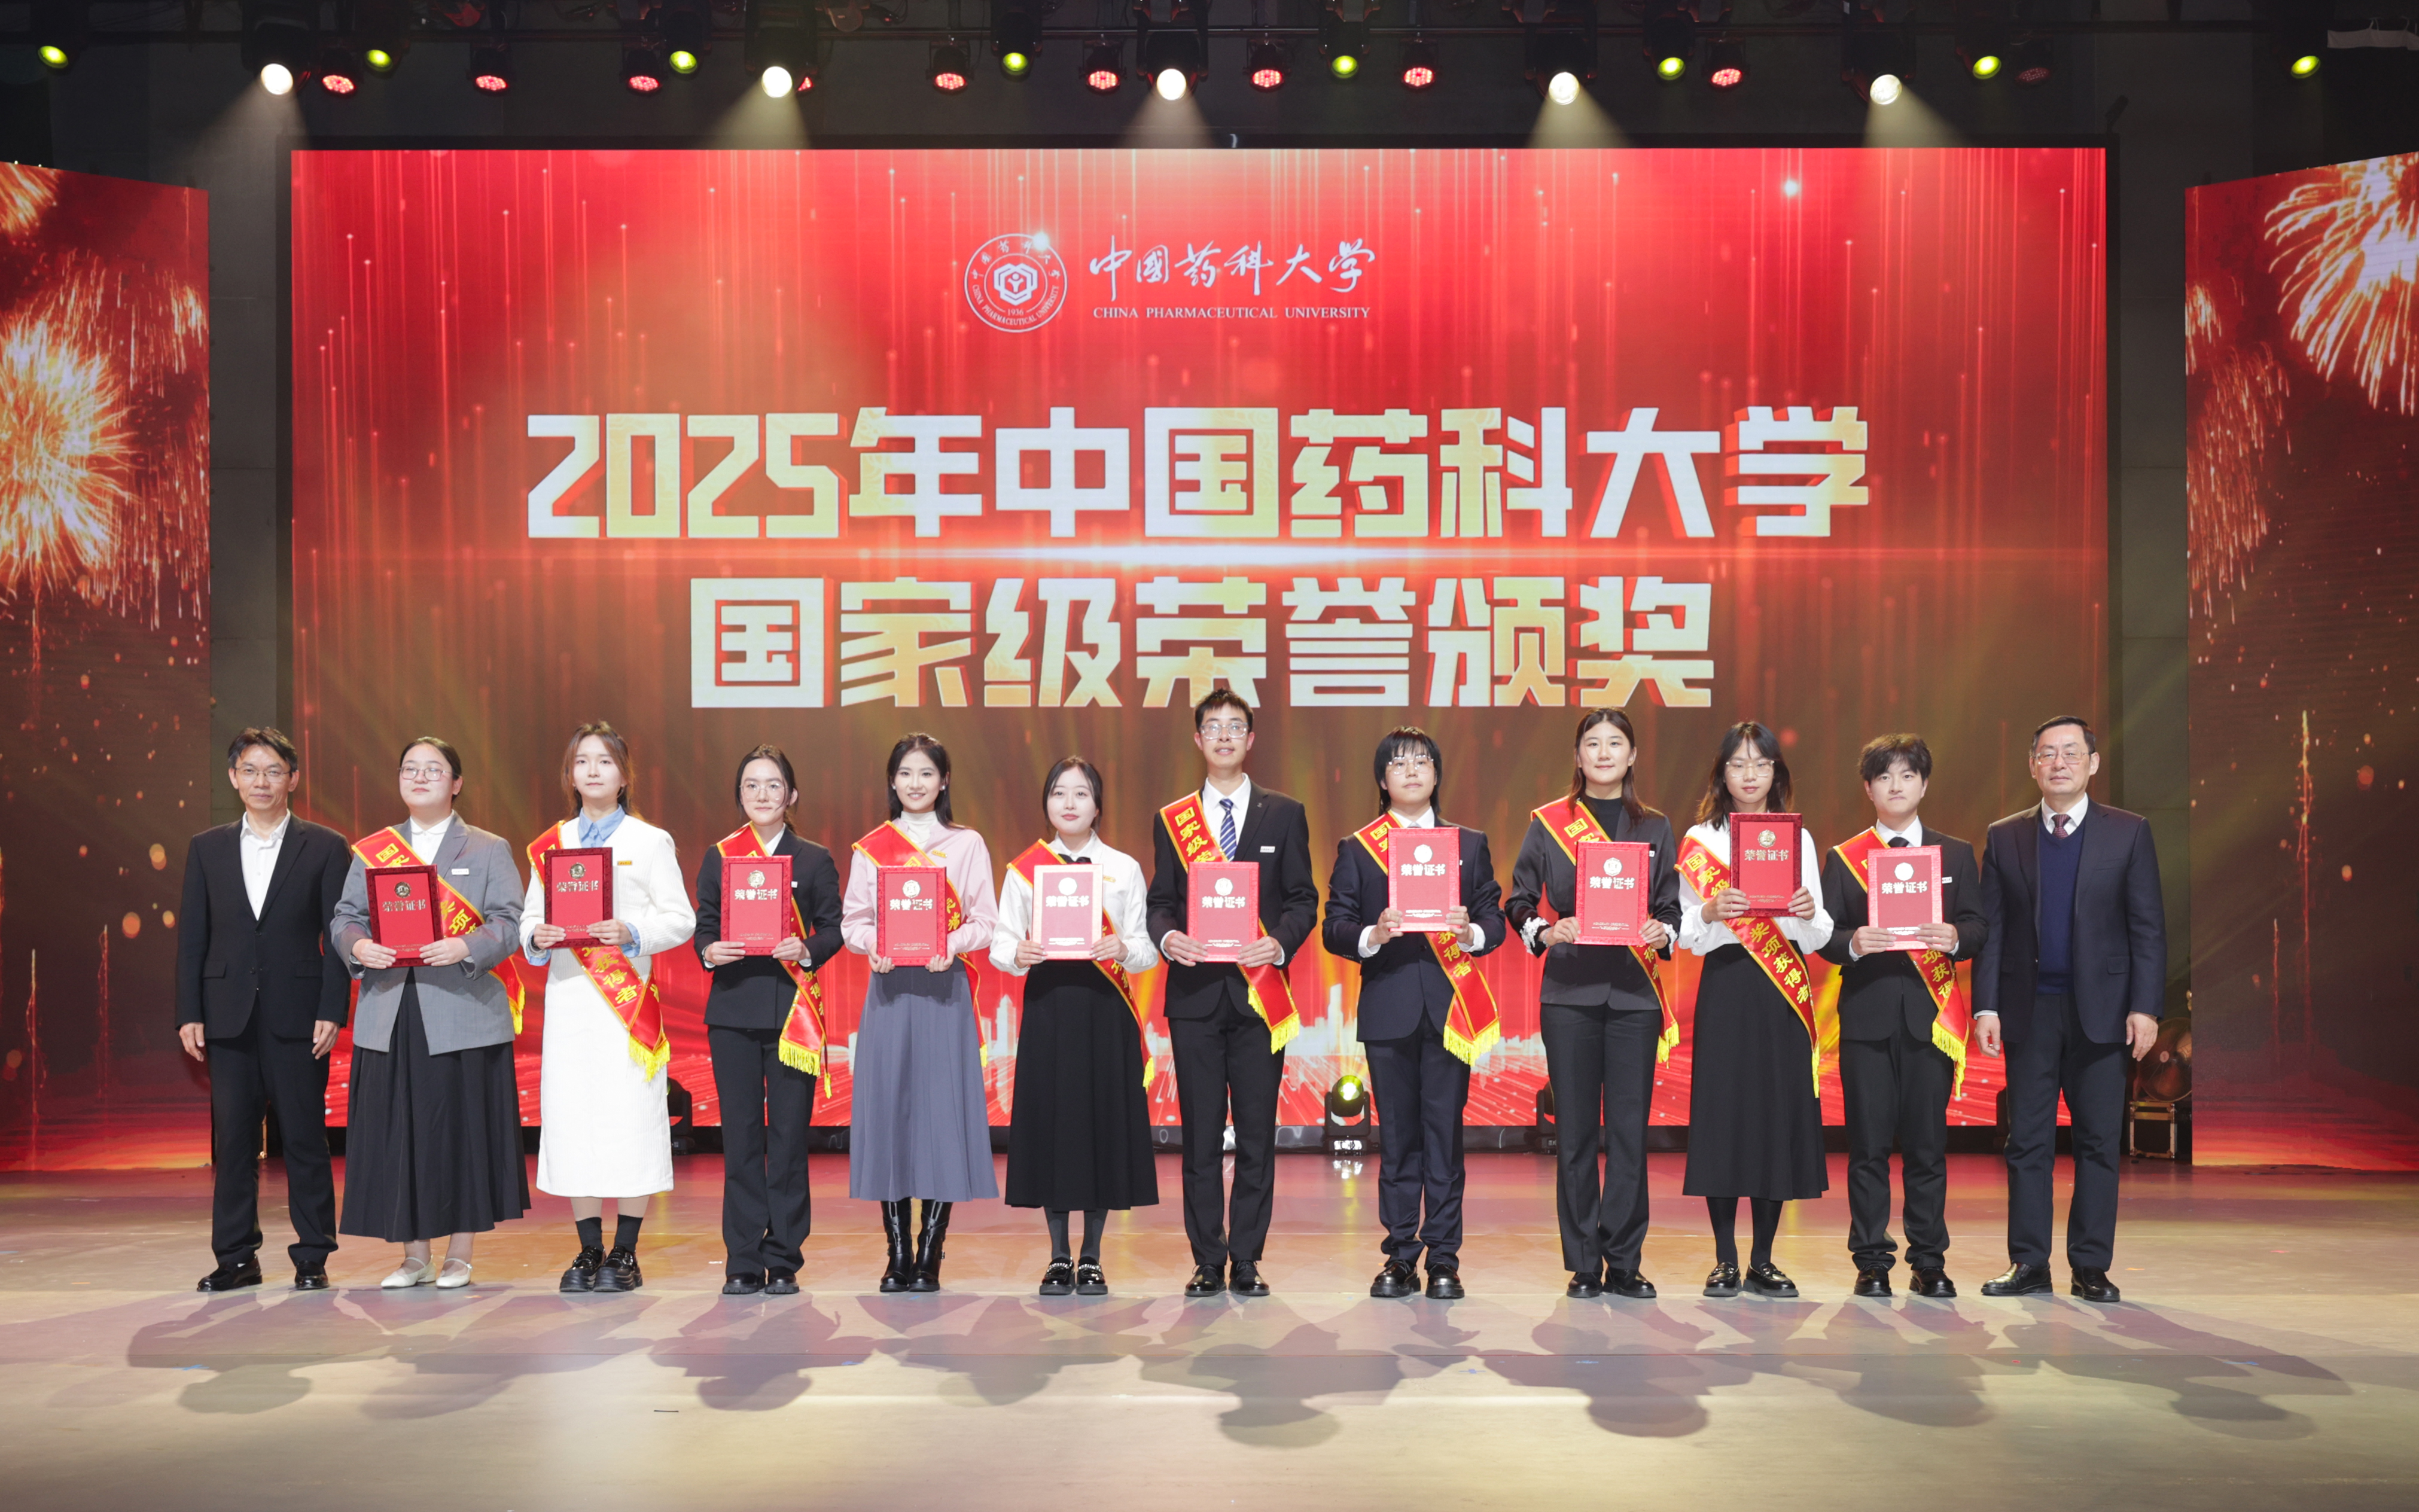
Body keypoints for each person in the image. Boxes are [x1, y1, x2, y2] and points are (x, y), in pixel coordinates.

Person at [1976, 715, 2167, 1303]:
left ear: (2093, 763)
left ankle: (2091, 1265)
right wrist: (1986, 1005)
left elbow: (2148, 927)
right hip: (2029, 1010)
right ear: (2032, 765)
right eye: (2047, 754)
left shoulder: (2128, 832)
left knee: (2098, 1141)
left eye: (2071, 752)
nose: (2058, 763)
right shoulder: (2005, 836)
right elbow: (1993, 930)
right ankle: (2029, 1262)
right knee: (2027, 1142)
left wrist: (2145, 1006)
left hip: (2104, 1013)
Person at [330, 737, 530, 1289]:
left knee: (462, 1134)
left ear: (457, 783)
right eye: (410, 769)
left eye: (433, 769)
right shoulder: (374, 850)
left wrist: (467, 946)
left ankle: (460, 1254)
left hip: (462, 1011)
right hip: (390, 1011)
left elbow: (510, 921)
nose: (419, 778)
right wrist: (358, 946)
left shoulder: (487, 848)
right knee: (399, 1133)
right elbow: (345, 916)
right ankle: (414, 1256)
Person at [1321, 725, 1506, 1301]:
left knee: (1444, 1137)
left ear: (1436, 774)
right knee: (1398, 1139)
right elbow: (1334, 927)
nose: (1411, 771)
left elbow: (1494, 920)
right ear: (1383, 779)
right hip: (1389, 1008)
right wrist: (1373, 934)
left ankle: (1444, 1258)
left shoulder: (1468, 844)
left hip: (1452, 1011)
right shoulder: (1358, 848)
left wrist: (1469, 932)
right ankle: (1401, 1256)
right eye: (1398, 763)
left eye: (1422, 761)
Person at [1146, 690, 1319, 1300]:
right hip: (1194, 996)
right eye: (1213, 727)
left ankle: (1246, 1257)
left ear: (1251, 739)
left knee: (1255, 1134)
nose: (1224, 736)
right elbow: (1160, 902)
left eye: (1235, 726)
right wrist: (1168, 937)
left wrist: (1279, 942)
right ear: (1198, 740)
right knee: (1198, 1136)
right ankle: (1206, 1259)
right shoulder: (1173, 819)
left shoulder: (1285, 813)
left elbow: (1304, 899)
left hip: (1258, 999)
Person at [1505, 709, 1682, 1301]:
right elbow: (1519, 900)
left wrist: (1663, 931)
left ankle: (1625, 1261)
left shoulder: (1655, 826)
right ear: (1578, 757)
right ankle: (1584, 1262)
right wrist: (1545, 930)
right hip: (1570, 994)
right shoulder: (1548, 823)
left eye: (1615, 743)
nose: (1604, 753)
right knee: (1576, 1133)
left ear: (1632, 756)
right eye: (1593, 744)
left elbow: (1670, 905)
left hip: (1634, 995)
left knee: (1629, 1133)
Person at [175, 728, 354, 1293]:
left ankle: (313, 1256)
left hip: (299, 1016)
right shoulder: (207, 848)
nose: (261, 781)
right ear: (234, 778)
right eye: (250, 770)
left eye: (273, 771)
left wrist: (333, 1009)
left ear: (292, 779)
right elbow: (193, 938)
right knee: (232, 1143)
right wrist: (189, 1012)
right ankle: (235, 1258)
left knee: (303, 1138)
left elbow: (341, 934)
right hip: (226, 1016)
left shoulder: (325, 846)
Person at [520, 722, 696, 1294]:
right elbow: (529, 918)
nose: (593, 771)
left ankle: (625, 1252)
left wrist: (632, 931)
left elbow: (680, 919)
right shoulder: (551, 844)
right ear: (569, 775)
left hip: (627, 1009)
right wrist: (536, 936)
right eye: (582, 762)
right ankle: (588, 1249)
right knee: (575, 1122)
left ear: (624, 775)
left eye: (605, 761)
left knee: (631, 1122)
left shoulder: (650, 841)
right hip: (571, 1004)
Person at [1815, 733, 1986, 1300]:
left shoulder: (1954, 854)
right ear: (1868, 789)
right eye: (1884, 777)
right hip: (1866, 1021)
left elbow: (1979, 926)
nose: (1896, 786)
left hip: (1929, 1022)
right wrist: (1853, 942)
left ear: (1924, 784)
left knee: (1926, 1148)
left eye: (1907, 775)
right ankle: (1871, 1261)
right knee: (1867, 1149)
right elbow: (1824, 936)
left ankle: (1929, 1261)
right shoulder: (1844, 858)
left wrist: (1955, 936)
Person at [1675, 720, 1834, 1299]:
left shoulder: (1799, 839)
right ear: (1722, 773)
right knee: (1723, 1118)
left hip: (1781, 992)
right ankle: (1724, 1259)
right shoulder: (1701, 840)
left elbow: (1818, 934)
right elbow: (1685, 933)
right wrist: (1710, 910)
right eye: (1738, 764)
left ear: (1776, 772)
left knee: (1774, 1118)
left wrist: (1808, 910)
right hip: (1726, 984)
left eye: (1761, 764)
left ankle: (1763, 1259)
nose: (1749, 774)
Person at [992, 757, 1161, 1297]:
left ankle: (1092, 1255)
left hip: (1105, 1009)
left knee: (1100, 1125)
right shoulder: (1024, 870)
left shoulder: (1123, 868)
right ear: (1046, 803)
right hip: (1049, 1007)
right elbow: (1000, 943)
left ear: (1098, 805)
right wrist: (1017, 952)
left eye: (1081, 793)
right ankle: (1057, 1255)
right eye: (1059, 793)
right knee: (1053, 1126)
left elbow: (1146, 946)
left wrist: (1123, 948)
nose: (1069, 803)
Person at [842, 733, 998, 1293]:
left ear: (944, 780)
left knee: (940, 1116)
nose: (915, 783)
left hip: (942, 989)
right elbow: (853, 921)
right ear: (892, 780)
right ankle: (897, 1253)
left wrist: (950, 943)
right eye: (906, 773)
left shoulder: (967, 844)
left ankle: (930, 1252)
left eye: (926, 773)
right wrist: (872, 945)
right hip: (888, 990)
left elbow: (986, 920)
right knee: (890, 1113)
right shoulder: (871, 848)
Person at [694, 745, 843, 1298]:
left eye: (773, 785)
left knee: (787, 1141)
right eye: (752, 785)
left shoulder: (814, 859)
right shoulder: (720, 856)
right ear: (740, 795)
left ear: (792, 795)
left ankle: (783, 1258)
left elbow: (834, 929)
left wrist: (805, 948)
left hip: (791, 1014)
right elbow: (704, 927)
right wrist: (710, 951)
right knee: (740, 1140)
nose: (762, 794)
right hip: (732, 1012)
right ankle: (742, 1259)